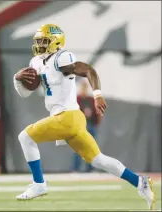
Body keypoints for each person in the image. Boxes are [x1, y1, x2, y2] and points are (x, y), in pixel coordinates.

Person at [13, 24, 155, 209]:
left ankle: (39, 185)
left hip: (68, 117)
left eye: (43, 41)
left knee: (25, 137)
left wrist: (97, 94)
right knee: (98, 160)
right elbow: (24, 93)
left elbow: (89, 70)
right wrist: (17, 78)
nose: (39, 44)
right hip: (70, 119)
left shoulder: (61, 58)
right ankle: (140, 182)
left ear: (56, 42)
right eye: (38, 41)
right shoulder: (37, 62)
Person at [72, 80, 101, 172]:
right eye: (83, 87)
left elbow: (97, 111)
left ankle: (90, 169)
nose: (84, 89)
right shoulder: (77, 99)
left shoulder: (91, 99)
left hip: (91, 125)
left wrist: (96, 119)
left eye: (85, 87)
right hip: (80, 126)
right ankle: (75, 169)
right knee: (78, 148)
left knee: (91, 148)